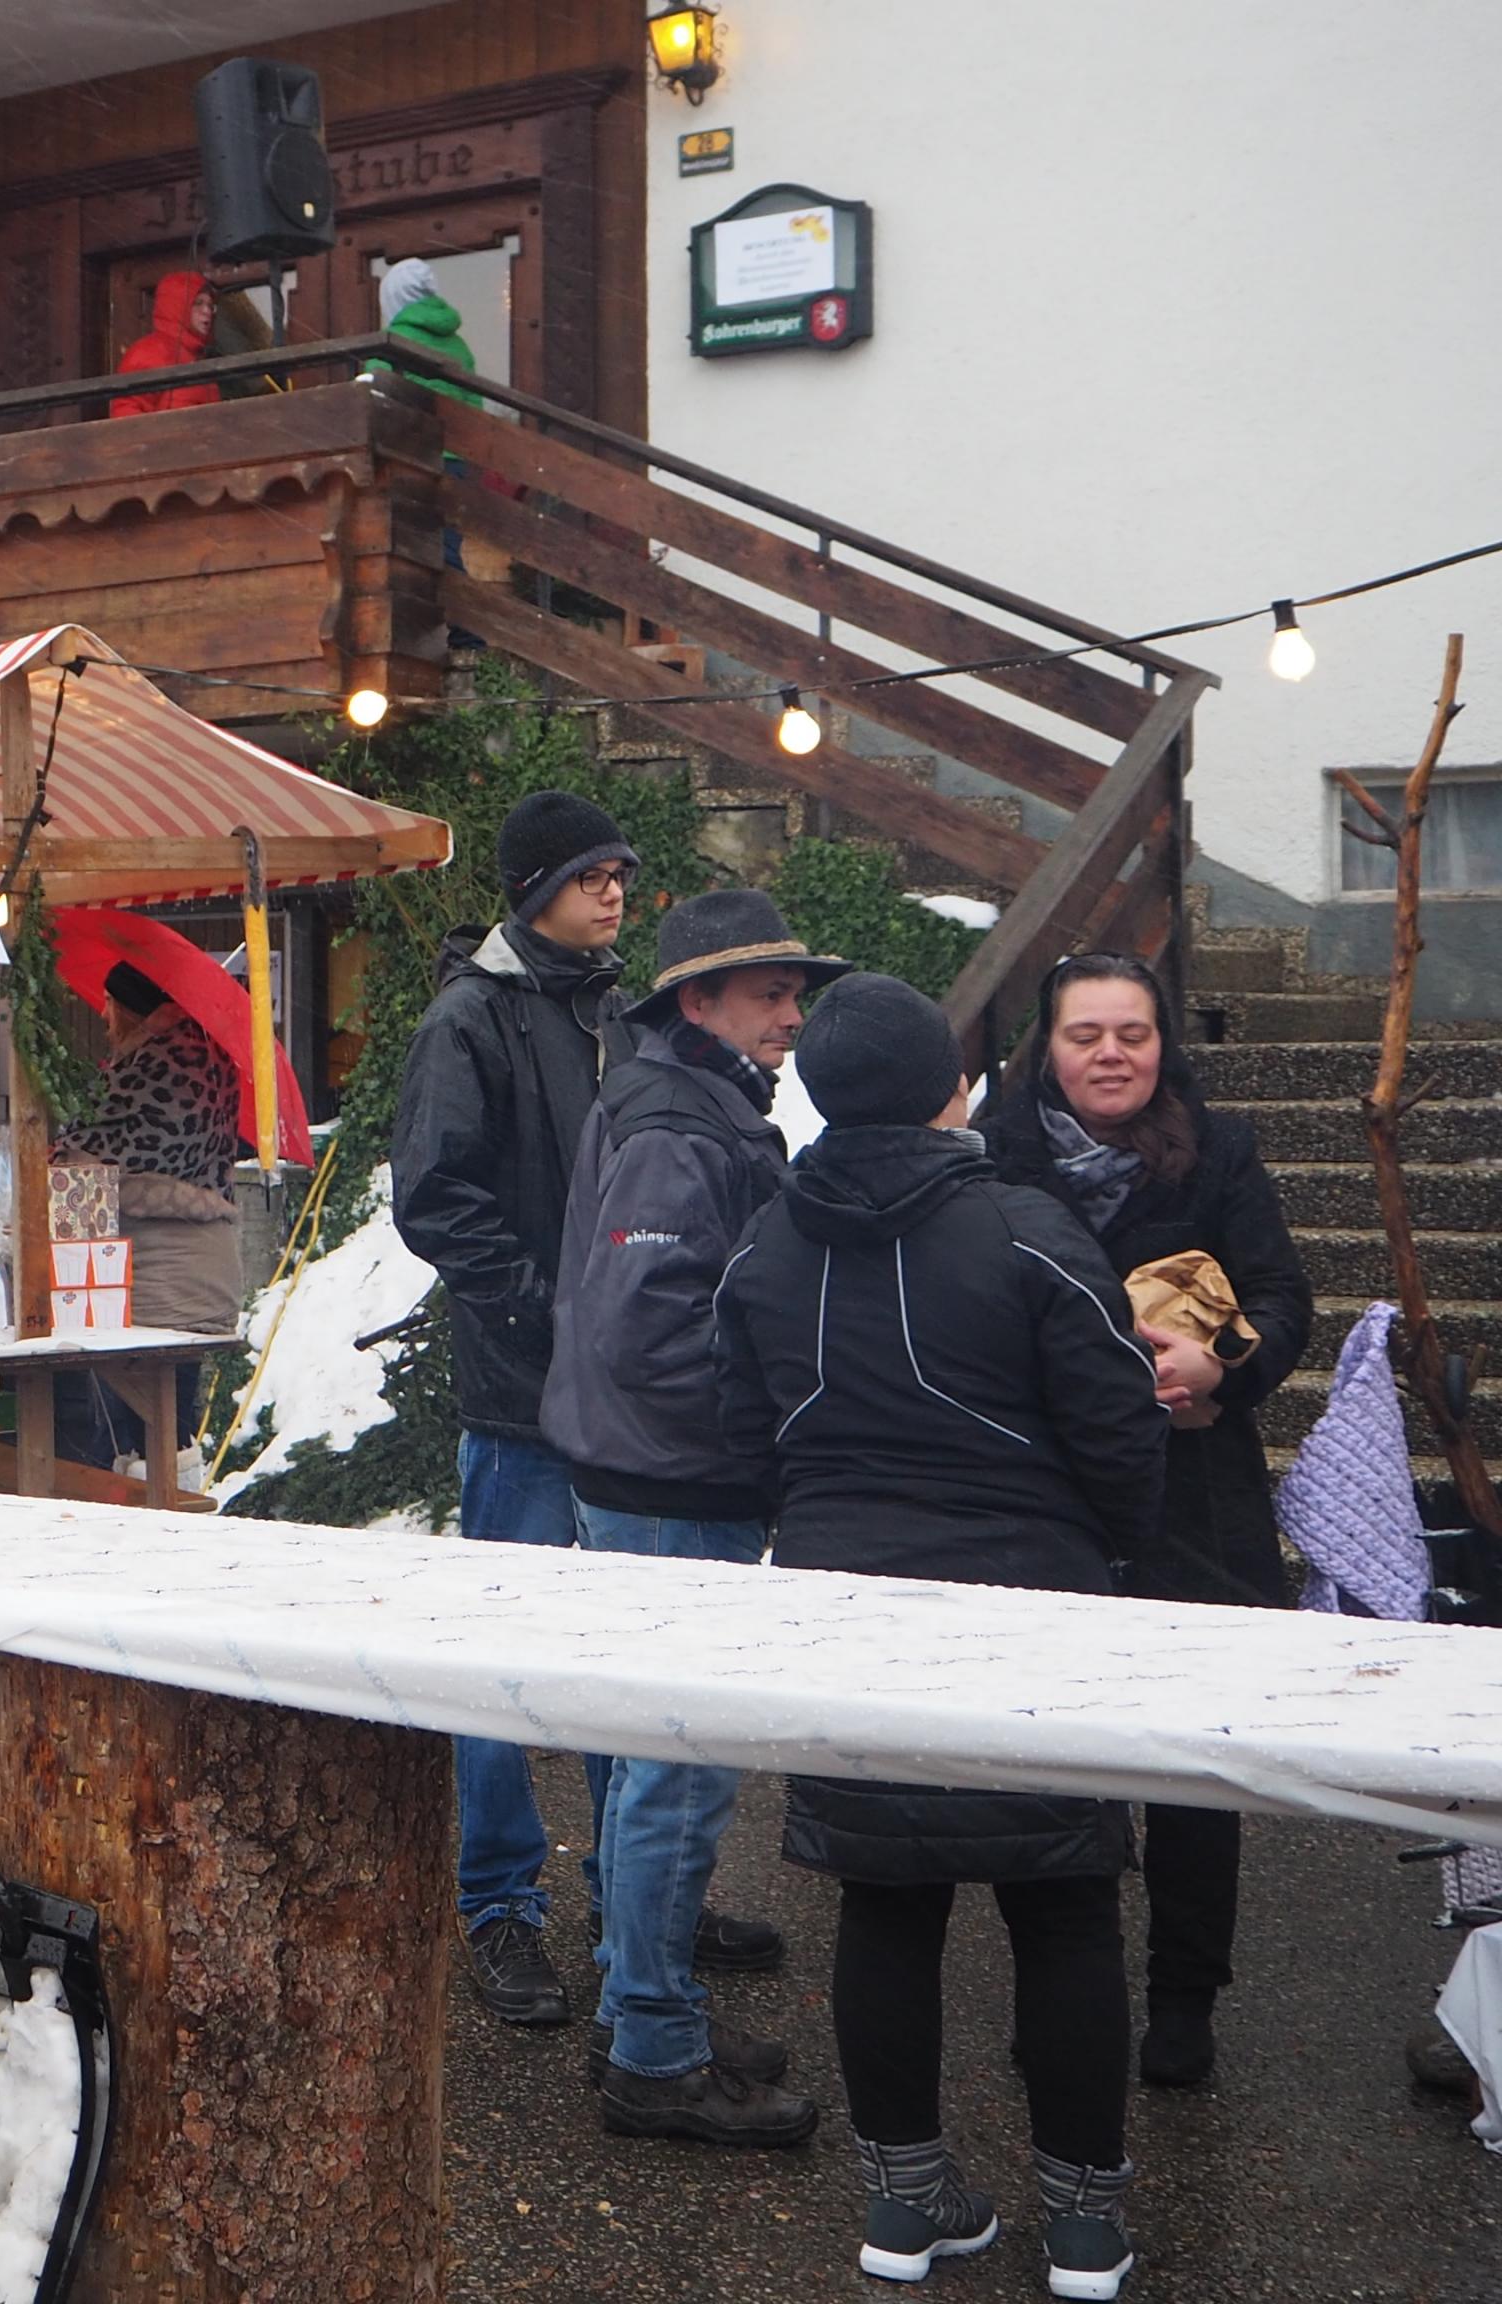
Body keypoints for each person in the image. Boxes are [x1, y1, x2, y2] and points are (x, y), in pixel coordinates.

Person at [718, 973, 1168, 2301]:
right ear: (953, 1093)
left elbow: (742, 1437)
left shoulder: (767, 1245)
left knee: (885, 1901)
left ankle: (904, 2206)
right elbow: (1121, 1430)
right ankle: (1083, 2226)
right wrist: (1104, 1558)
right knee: (1066, 1906)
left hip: (846, 1611)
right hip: (1031, 1606)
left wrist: (818, 1529)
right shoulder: (1028, 1230)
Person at [536, 889, 843, 2147]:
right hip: (669, 1487)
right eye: (769, 992)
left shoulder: (689, 1099)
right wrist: (759, 1434)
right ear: (697, 1001)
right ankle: (654, 2056)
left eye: (794, 992)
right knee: (673, 1775)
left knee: (650, 1768)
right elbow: (647, 1329)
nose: (791, 1014)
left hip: (647, 1476)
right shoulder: (678, 1122)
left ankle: (638, 2011)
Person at [979, 952, 1313, 2091]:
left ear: (1163, 1044)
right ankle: (1061, 1991)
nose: (1112, 1055)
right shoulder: (995, 1159)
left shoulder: (1217, 1149)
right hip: (1051, 1491)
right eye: (1086, 1036)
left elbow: (1280, 1295)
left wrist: (1221, 1362)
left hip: (1195, 1487)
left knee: (1194, 1760)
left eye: (1133, 1033)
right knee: (1058, 1753)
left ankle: (1183, 1999)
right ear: (1047, 1048)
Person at [391, 788, 635, 2028]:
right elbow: (434, 1199)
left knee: (619, 1653)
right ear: (535, 887)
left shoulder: (617, 1010)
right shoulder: (469, 1017)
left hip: (626, 1397)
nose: (613, 892)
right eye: (591, 874)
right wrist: (543, 1311)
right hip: (520, 1397)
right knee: (501, 1665)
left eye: (619, 873)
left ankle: (631, 1895)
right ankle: (497, 1905)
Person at [60, 962, 249, 1333]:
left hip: (159, 1285)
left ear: (130, 1009)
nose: (103, 1014)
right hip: (209, 1277)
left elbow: (78, 1168)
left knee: (138, 1375)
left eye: (109, 1002)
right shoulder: (209, 1058)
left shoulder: (150, 1072)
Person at [106, 270, 223, 418]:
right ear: (176, 304)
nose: (207, 311)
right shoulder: (151, 350)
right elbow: (126, 414)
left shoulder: (199, 359)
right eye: (197, 303)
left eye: (211, 306)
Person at [376, 257, 487, 406]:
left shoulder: (388, 341)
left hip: (406, 420)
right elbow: (474, 403)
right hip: (453, 420)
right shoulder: (460, 347)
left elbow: (376, 394)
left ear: (392, 299)